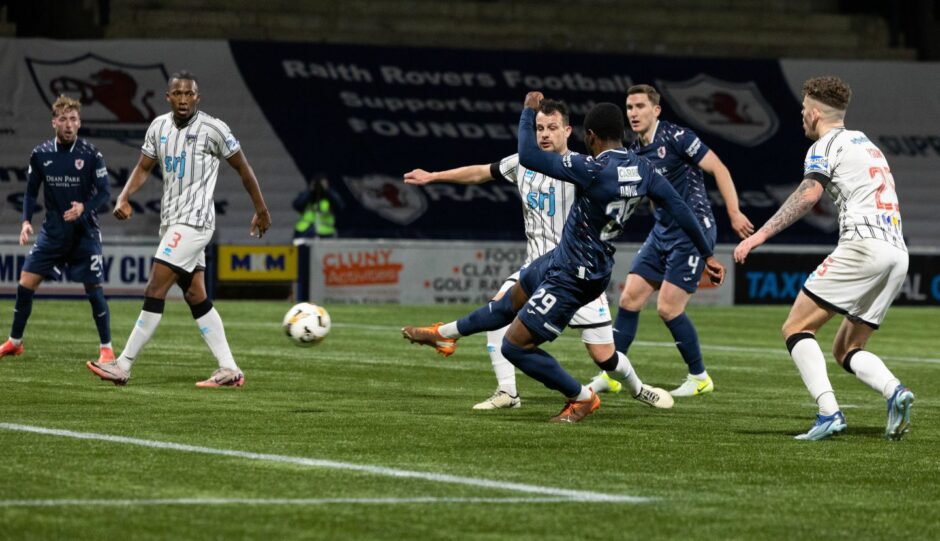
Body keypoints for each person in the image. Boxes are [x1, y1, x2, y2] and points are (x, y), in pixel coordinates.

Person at [404, 93, 725, 422]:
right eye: (540, 127)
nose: (544, 133)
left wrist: (528, 111)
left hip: (575, 274)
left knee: (520, 348)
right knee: (504, 304)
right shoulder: (644, 170)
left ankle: (583, 397)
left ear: (586, 135)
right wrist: (708, 255)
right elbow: (682, 209)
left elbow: (528, 154)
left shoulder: (590, 168)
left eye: (551, 127)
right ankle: (445, 335)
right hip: (564, 258)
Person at [734, 76, 913, 441]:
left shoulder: (825, 145)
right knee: (846, 348)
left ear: (815, 113)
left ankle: (829, 412)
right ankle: (895, 392)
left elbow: (809, 193)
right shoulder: (867, 144)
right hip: (897, 253)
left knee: (796, 327)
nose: (801, 115)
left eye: (803, 109)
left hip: (863, 246)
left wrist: (760, 235)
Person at [85, 70, 272, 388]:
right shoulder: (158, 127)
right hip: (172, 221)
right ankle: (229, 369)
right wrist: (125, 196)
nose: (184, 99)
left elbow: (243, 167)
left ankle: (123, 365)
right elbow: (144, 167)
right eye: (178, 94)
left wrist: (261, 209)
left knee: (154, 288)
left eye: (189, 94)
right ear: (168, 97)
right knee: (195, 294)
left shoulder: (214, 129)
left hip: (195, 222)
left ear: (197, 97)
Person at [593, 84, 754, 399]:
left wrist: (734, 213)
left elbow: (718, 167)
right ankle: (611, 374)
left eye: (640, 106)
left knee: (667, 308)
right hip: (662, 232)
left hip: (692, 231)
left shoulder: (678, 138)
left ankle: (699, 377)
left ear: (656, 110)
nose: (633, 113)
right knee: (629, 300)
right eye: (629, 108)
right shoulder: (635, 152)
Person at [0, 95, 113, 363]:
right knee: (25, 284)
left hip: (84, 232)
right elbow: (30, 193)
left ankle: (106, 348)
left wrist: (84, 208)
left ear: (79, 123)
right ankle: (15, 342)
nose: (68, 124)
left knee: (93, 288)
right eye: (63, 119)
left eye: (73, 119)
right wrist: (27, 221)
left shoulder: (91, 154)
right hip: (52, 233)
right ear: (54, 122)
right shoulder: (40, 154)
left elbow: (105, 193)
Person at [293, 173, 342, 242]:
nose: (319, 186)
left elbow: (339, 206)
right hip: (304, 231)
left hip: (326, 233)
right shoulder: (308, 196)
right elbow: (297, 205)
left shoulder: (330, 198)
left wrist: (327, 191)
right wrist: (310, 190)